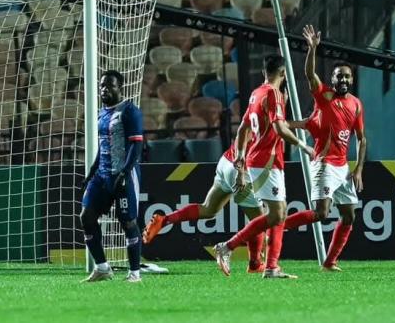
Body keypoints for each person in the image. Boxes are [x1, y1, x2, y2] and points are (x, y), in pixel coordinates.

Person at [213, 54, 313, 279]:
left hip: (262, 160)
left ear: (263, 72)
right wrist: (303, 146)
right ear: (284, 73)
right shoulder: (274, 94)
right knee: (276, 215)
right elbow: (279, 129)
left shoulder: (256, 94)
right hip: (265, 161)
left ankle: (271, 268)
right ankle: (227, 246)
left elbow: (242, 130)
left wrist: (240, 160)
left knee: (280, 213)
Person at [283, 25, 367, 272]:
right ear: (332, 79)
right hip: (324, 163)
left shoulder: (356, 104)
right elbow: (310, 75)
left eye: (347, 76)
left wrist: (359, 169)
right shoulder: (325, 97)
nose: (343, 79)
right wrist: (312, 49)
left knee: (349, 215)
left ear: (352, 79)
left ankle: (330, 262)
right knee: (321, 213)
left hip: (343, 167)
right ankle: (277, 227)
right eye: (339, 76)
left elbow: (362, 139)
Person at [141, 137, 267, 273]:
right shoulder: (269, 120)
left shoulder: (261, 119)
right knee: (259, 222)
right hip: (241, 169)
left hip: (227, 162)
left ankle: (165, 220)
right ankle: (253, 263)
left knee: (208, 209)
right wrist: (241, 171)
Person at [80, 70, 145, 283]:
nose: (104, 89)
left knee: (128, 223)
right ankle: (102, 268)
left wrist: (125, 172)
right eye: (102, 86)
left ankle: (134, 274)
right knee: (86, 217)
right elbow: (103, 146)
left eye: (109, 85)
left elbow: (136, 145)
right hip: (102, 175)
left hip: (123, 174)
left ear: (120, 87)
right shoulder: (101, 113)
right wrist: (91, 172)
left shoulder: (129, 111)